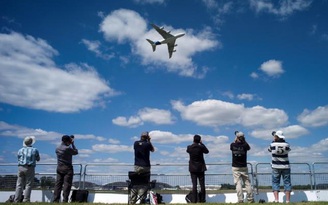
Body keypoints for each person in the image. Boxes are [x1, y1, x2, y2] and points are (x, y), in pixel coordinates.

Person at [130, 131, 155, 204]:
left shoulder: (135, 143)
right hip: (146, 166)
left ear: (141, 136)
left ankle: (133, 200)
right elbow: (153, 150)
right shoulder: (147, 144)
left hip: (137, 165)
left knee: (136, 182)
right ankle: (142, 199)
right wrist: (149, 141)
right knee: (145, 183)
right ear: (147, 137)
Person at [14, 136, 40, 202]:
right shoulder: (34, 150)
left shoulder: (20, 150)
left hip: (20, 167)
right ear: (31, 142)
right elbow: (38, 159)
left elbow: (18, 158)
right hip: (30, 167)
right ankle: (26, 199)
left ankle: (16, 199)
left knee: (19, 184)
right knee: (28, 184)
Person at [230, 131, 254, 203]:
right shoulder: (245, 145)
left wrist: (236, 140)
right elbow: (248, 147)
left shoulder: (232, 144)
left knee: (238, 183)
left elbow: (232, 147)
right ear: (243, 138)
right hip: (244, 166)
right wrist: (244, 140)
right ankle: (250, 199)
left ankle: (240, 199)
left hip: (235, 167)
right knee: (247, 183)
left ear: (237, 137)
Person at [268, 130, 292, 203]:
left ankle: (276, 200)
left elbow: (269, 150)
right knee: (287, 183)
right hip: (286, 166)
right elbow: (289, 150)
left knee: (275, 183)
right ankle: (287, 201)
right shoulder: (287, 144)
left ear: (276, 137)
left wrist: (274, 141)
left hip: (275, 166)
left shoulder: (272, 144)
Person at [53, 135, 78, 203]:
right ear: (68, 141)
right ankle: (65, 200)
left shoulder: (57, 148)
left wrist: (69, 143)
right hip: (67, 168)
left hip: (59, 167)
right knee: (67, 185)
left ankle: (56, 200)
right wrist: (72, 144)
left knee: (58, 184)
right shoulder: (67, 148)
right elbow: (76, 152)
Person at [186, 134, 209, 203]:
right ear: (199, 140)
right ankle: (202, 200)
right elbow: (207, 151)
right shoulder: (201, 147)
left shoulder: (189, 147)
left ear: (193, 140)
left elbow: (187, 151)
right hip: (201, 168)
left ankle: (194, 200)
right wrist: (202, 144)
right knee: (202, 185)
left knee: (194, 185)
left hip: (192, 168)